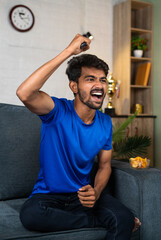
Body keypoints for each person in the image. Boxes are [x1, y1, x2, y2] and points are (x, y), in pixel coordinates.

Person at [17, 34, 141, 239]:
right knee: (31, 215)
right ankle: (93, 221)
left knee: (124, 218)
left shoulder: (104, 122)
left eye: (102, 80)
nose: (99, 85)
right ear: (74, 86)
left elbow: (104, 166)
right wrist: (68, 51)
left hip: (83, 195)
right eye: (90, 79)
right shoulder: (57, 111)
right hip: (49, 197)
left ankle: (93, 215)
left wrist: (96, 193)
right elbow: (25, 93)